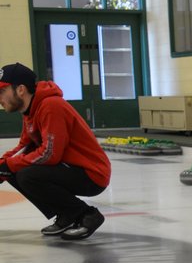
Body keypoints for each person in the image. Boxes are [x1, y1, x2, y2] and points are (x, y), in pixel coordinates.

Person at [0, 62, 111, 240]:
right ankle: (67, 214)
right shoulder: (30, 111)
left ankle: (87, 215)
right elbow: (23, 147)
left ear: (20, 89)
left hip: (91, 174)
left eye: (2, 92)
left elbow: (50, 154)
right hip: (69, 168)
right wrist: (2, 166)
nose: (0, 98)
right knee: (10, 170)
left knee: (26, 175)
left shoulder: (51, 106)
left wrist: (9, 165)